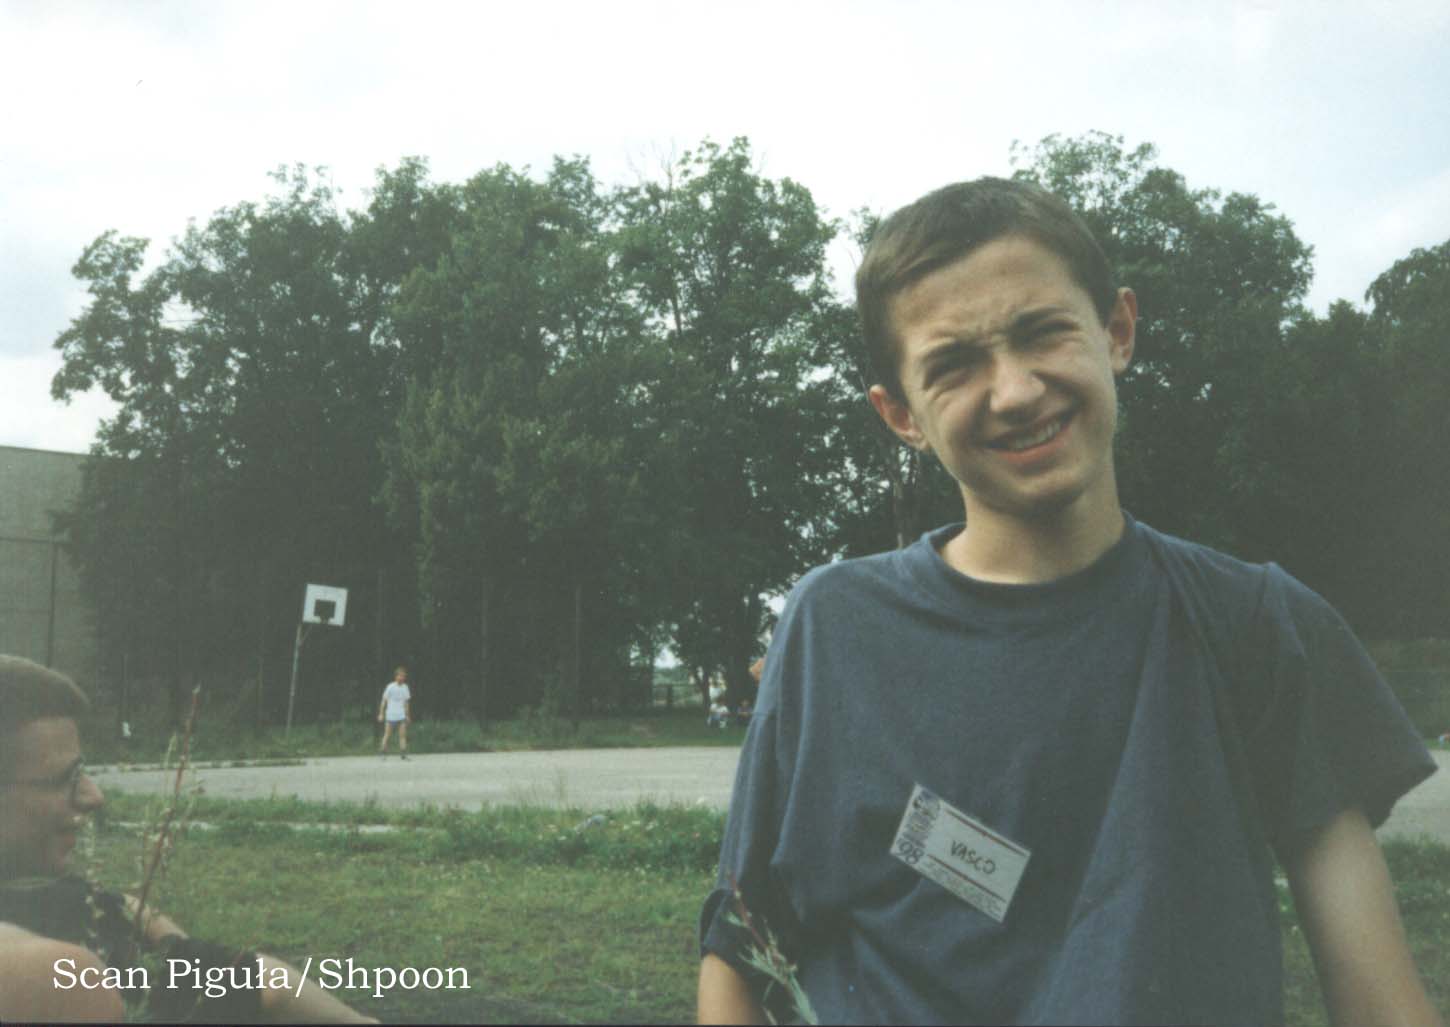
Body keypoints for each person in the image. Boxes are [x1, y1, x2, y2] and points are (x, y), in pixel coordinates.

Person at [697, 178, 1442, 1025]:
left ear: (1117, 330)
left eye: (1041, 331)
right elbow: (743, 945)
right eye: (954, 365)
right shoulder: (833, 627)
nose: (1015, 391)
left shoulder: (1259, 625)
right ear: (901, 414)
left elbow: (1381, 1000)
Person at [0, 655, 373, 1023]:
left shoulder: (62, 905)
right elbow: (270, 989)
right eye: (65, 778)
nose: (93, 796)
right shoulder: (56, 979)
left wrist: (147, 926)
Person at [377, 665, 411, 759]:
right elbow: (384, 700)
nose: (402, 678)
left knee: (402, 735)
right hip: (391, 715)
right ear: (396, 676)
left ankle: (403, 753)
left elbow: (406, 703)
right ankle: (382, 752)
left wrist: (407, 715)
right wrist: (381, 713)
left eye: (403, 676)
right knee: (387, 735)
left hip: (401, 715)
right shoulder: (390, 687)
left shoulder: (405, 687)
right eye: (400, 675)